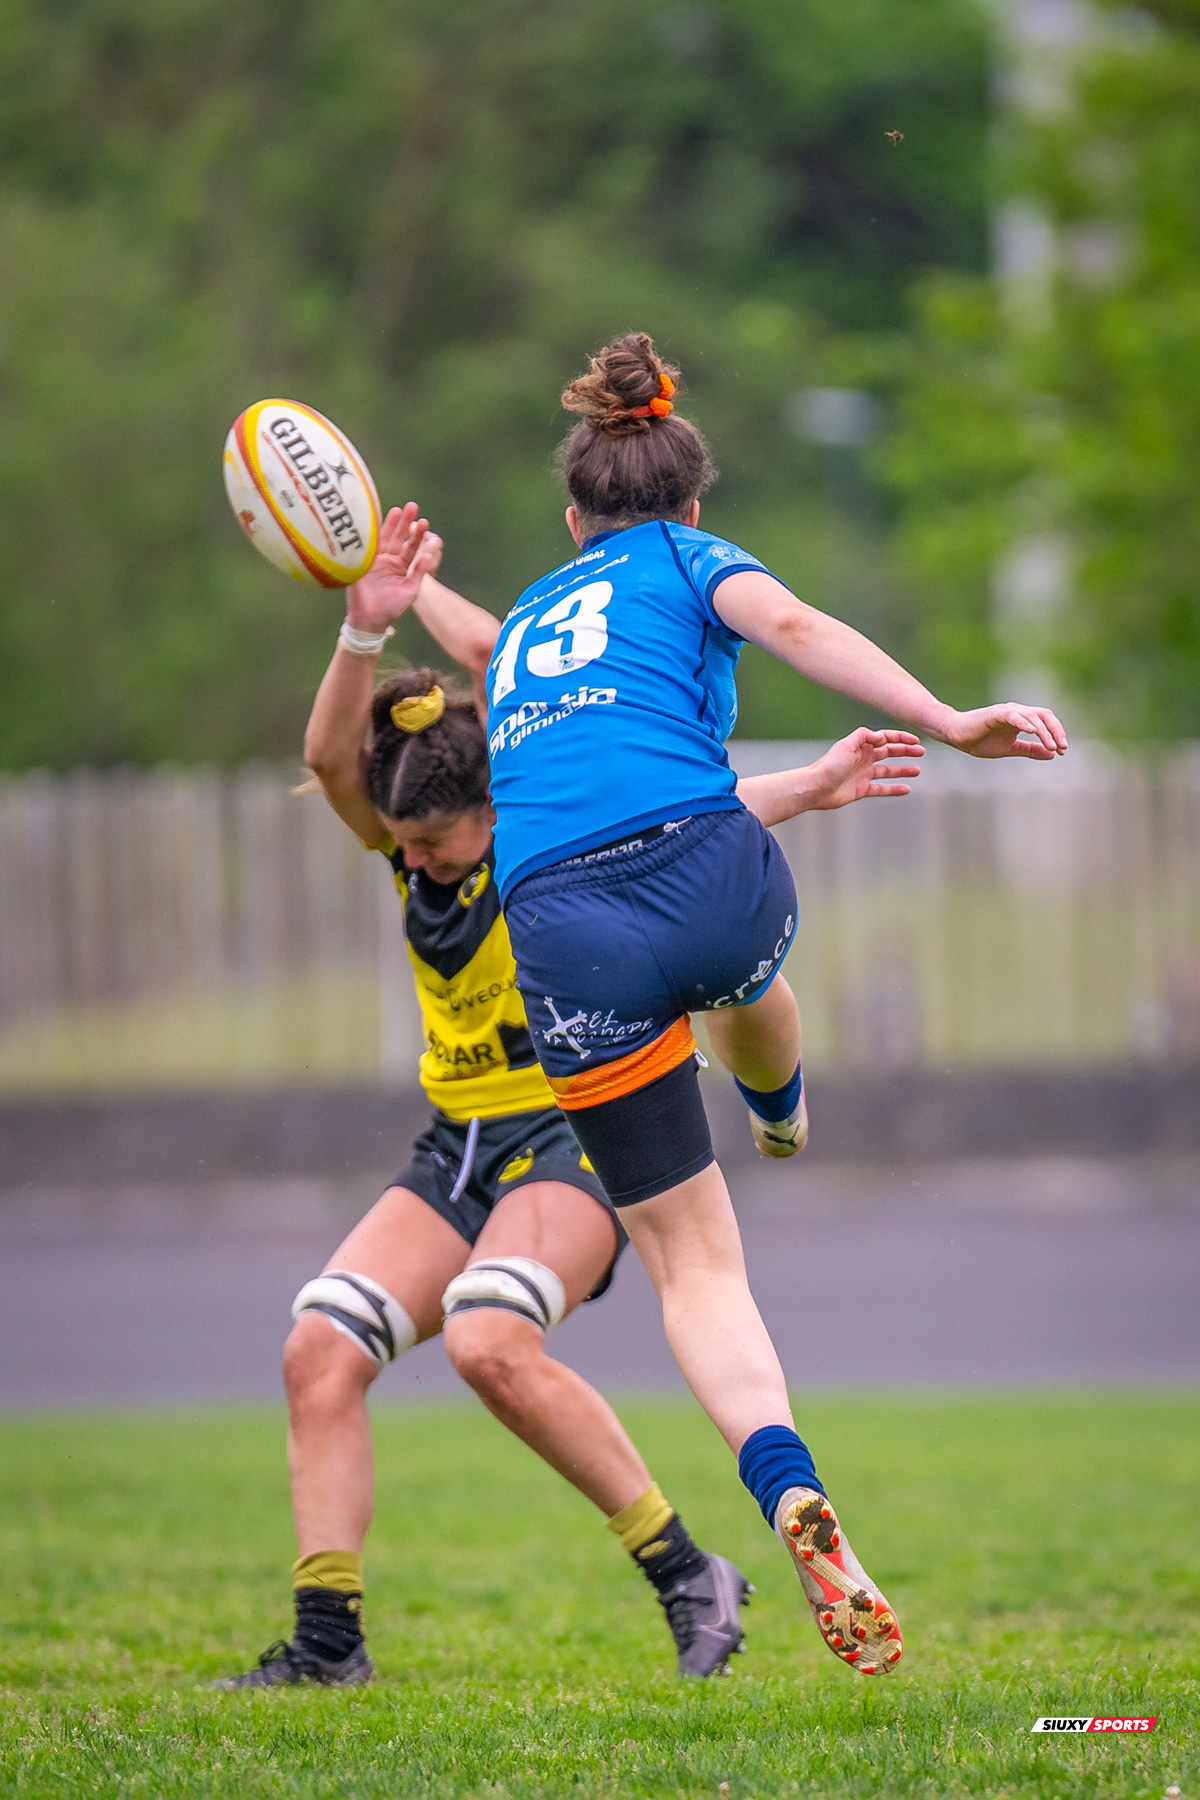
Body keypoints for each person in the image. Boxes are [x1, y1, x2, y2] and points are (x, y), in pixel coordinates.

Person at [402, 334, 1067, 1678]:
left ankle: (785, 1489)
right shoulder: (694, 563)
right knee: (747, 983)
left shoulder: (533, 617)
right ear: (692, 507)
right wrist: (947, 718)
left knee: (694, 1270)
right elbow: (803, 630)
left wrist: (410, 596)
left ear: (572, 519)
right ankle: (780, 1109)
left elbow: (486, 642)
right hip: (709, 870)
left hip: (565, 933)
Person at [213, 506, 918, 1690]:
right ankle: (329, 1645)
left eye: (436, 843)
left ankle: (685, 1569)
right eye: (408, 845)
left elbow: (668, 790)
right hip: (460, 1142)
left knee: (491, 1338)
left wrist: (813, 781)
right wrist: (362, 633)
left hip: (574, 1133)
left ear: (494, 809)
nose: (419, 861)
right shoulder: (409, 840)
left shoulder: (540, 834)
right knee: (316, 1351)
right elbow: (333, 764)